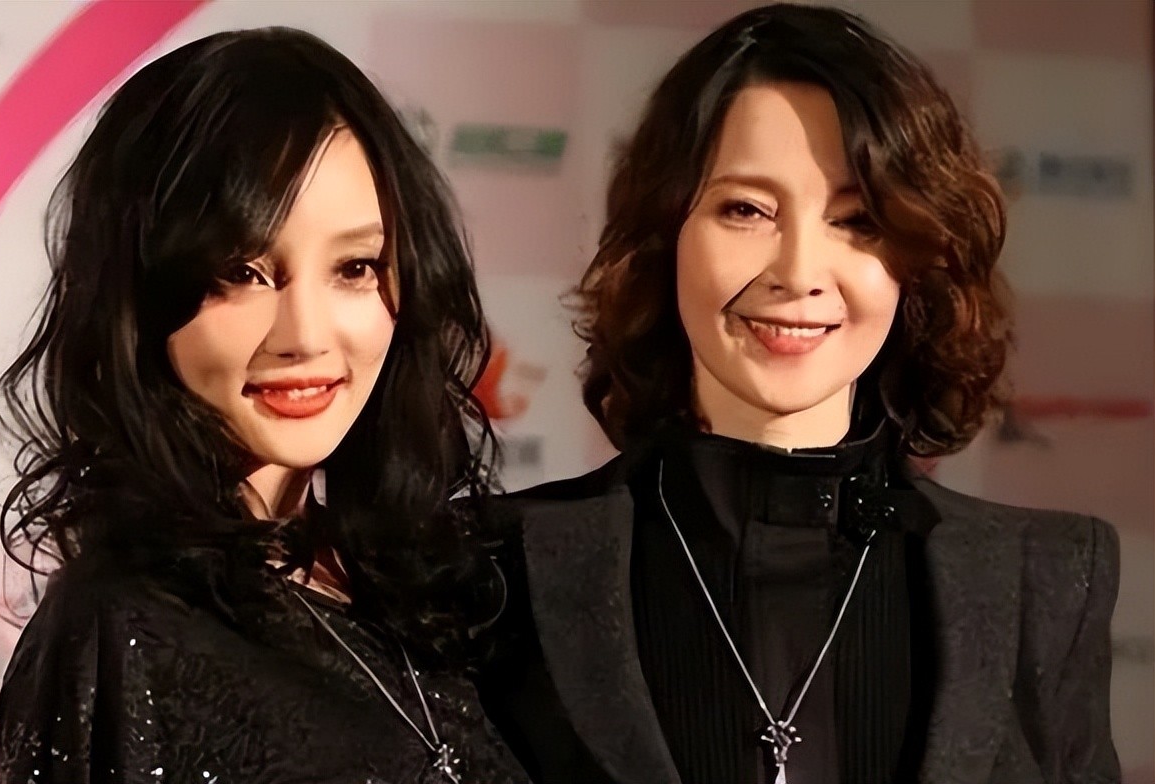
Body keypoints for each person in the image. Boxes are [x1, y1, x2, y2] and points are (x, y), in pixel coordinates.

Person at [476, 5, 1120, 783]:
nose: (799, 271)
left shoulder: (1044, 577)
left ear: (917, 259)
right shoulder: (497, 568)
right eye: (747, 210)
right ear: (665, 233)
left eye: (857, 220)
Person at [0, 27, 528, 784]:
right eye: (242, 272)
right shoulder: (120, 630)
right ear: (142, 297)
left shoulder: (438, 596)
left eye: (355, 267)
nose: (304, 336)